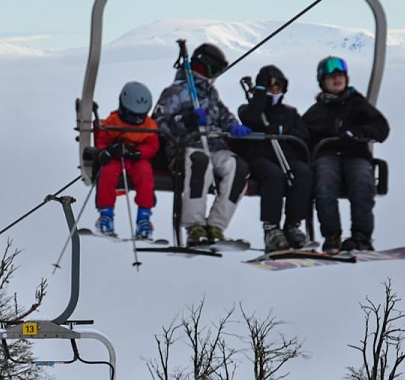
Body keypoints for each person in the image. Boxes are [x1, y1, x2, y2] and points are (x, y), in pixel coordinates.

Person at [153, 42, 252, 246]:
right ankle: (194, 225)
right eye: (214, 69)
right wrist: (186, 121)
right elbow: (158, 123)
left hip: (215, 147)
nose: (216, 74)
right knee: (201, 162)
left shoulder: (210, 94)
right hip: (186, 148)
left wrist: (234, 127)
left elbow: (225, 116)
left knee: (238, 167)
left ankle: (216, 226)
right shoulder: (175, 92)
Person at [302, 56, 390, 253]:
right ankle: (332, 236)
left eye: (340, 76)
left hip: (355, 155)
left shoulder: (358, 105)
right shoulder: (317, 112)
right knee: (325, 181)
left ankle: (361, 236)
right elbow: (302, 136)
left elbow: (381, 128)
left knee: (361, 180)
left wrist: (358, 133)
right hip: (327, 156)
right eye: (331, 77)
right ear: (323, 82)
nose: (336, 80)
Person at [237, 64, 313, 251]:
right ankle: (271, 228)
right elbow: (252, 118)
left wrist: (284, 130)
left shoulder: (290, 113)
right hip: (260, 158)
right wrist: (259, 95)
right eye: (269, 86)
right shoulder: (249, 110)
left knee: (303, 172)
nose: (274, 90)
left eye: (278, 86)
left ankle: (293, 225)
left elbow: (304, 136)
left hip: (286, 157)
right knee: (274, 175)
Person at [93, 81, 160, 240]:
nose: (135, 121)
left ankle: (144, 218)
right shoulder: (112, 121)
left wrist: (138, 152)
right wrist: (107, 151)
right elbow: (102, 139)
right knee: (107, 172)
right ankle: (105, 215)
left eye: (139, 117)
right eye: (131, 116)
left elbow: (152, 146)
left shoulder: (150, 125)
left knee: (145, 175)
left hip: (137, 159)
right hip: (117, 157)